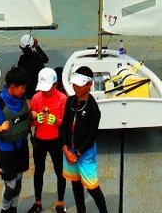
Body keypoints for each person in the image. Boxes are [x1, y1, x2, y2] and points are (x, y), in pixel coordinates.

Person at [0, 66, 32, 213]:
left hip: (21, 146)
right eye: (22, 87)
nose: (24, 91)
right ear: (12, 87)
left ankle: (13, 209)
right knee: (11, 185)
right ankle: (4, 209)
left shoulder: (20, 98)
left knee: (19, 181)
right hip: (6, 150)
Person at [61, 69, 108, 213]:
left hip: (85, 153)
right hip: (69, 151)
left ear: (89, 85)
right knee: (75, 183)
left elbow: (92, 135)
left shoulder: (93, 108)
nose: (76, 87)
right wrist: (66, 149)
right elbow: (64, 126)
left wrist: (78, 153)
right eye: (74, 84)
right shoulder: (70, 101)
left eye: (80, 85)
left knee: (92, 187)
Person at [27, 67, 67, 213]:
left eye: (47, 88)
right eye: (42, 88)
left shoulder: (62, 99)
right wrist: (35, 119)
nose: (44, 91)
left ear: (55, 85)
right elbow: (30, 122)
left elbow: (68, 123)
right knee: (39, 171)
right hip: (40, 140)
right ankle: (38, 201)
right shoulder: (36, 98)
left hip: (56, 141)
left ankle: (60, 202)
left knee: (60, 171)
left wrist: (57, 121)